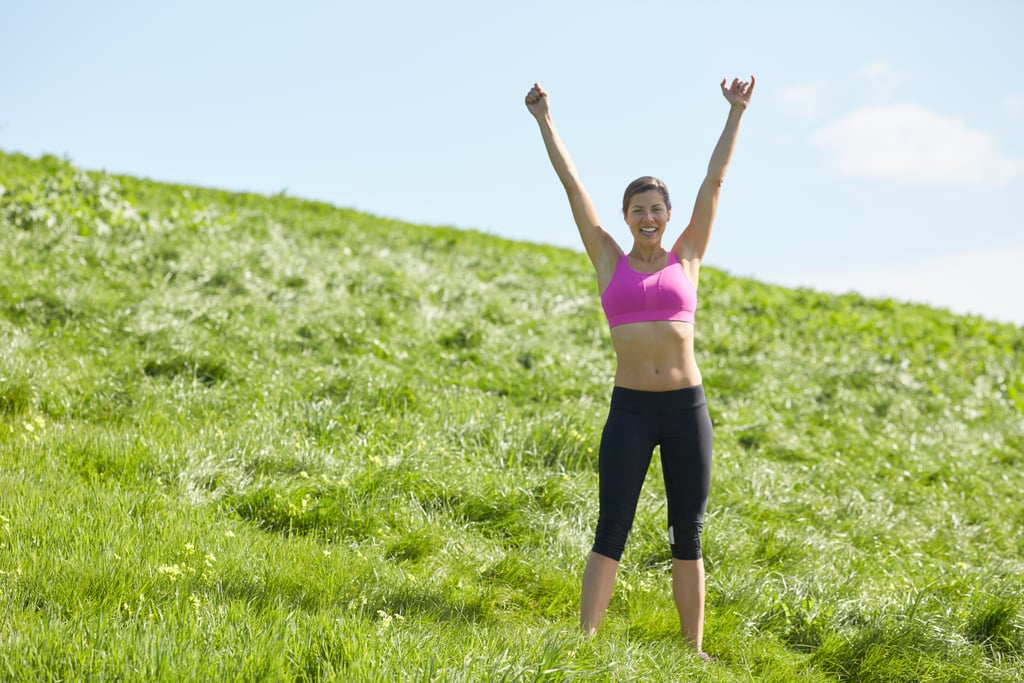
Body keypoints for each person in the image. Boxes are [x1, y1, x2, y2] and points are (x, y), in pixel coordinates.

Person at [524, 76, 754, 658]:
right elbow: (572, 186)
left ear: (669, 215)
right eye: (638, 210)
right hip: (630, 410)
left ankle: (691, 650)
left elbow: (715, 179)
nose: (648, 217)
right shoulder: (607, 259)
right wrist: (544, 119)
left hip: (686, 409)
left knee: (688, 533)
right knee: (612, 529)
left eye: (656, 209)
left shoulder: (689, 255)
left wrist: (736, 112)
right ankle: (584, 642)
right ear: (626, 217)